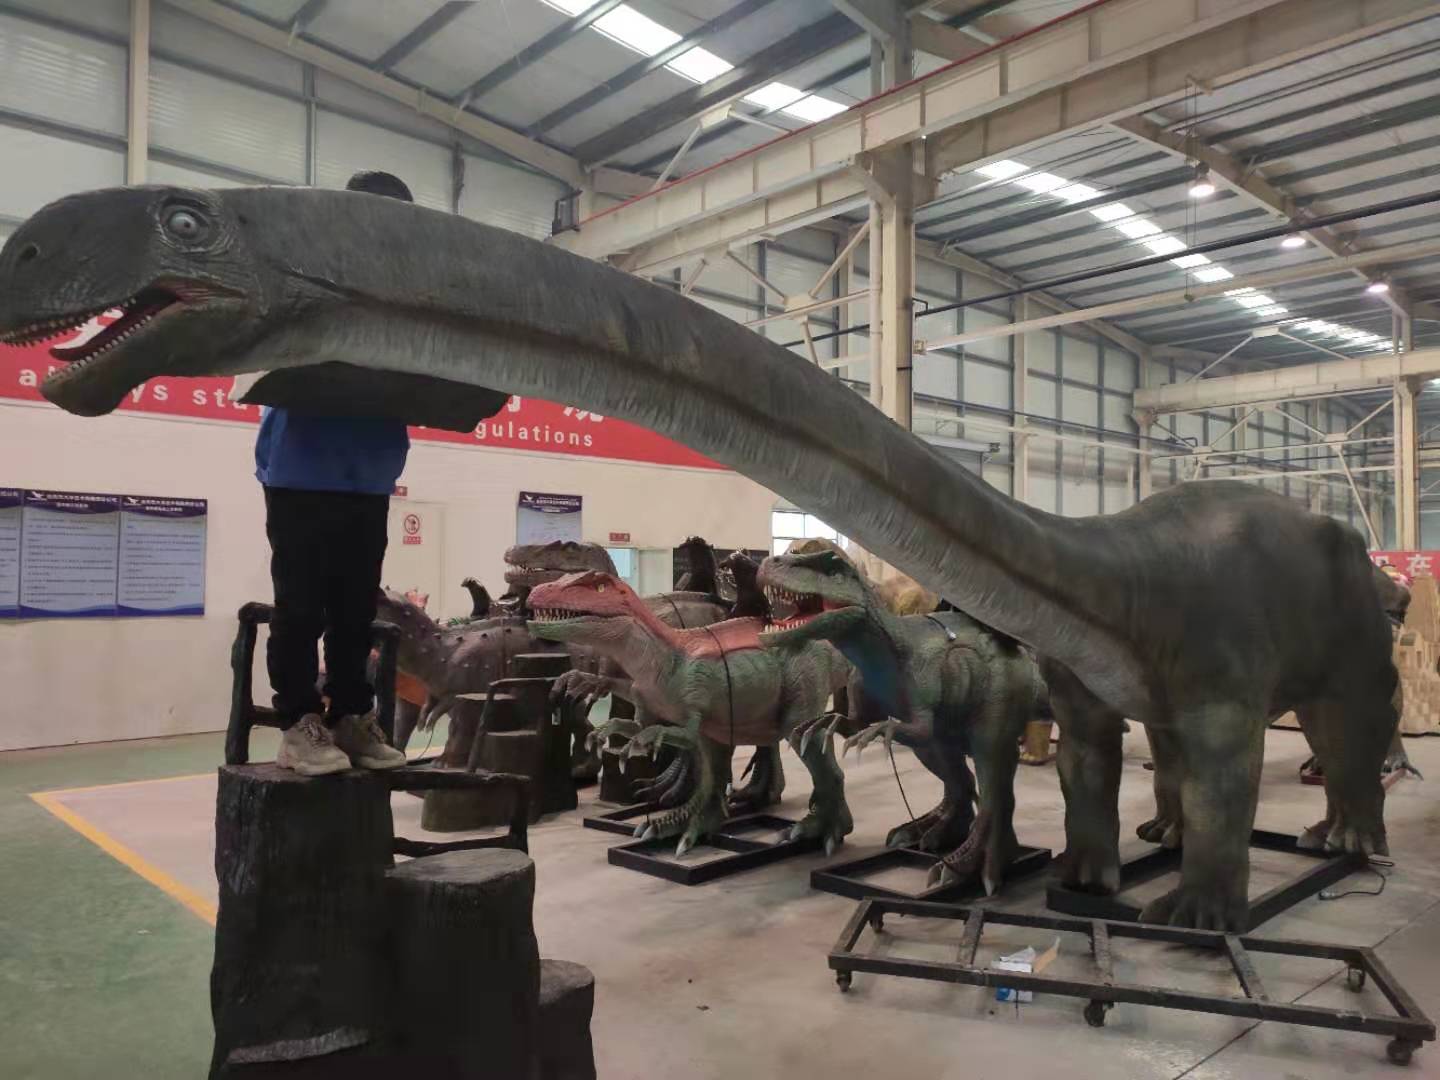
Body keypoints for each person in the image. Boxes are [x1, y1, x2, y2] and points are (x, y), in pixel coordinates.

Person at [258, 170, 414, 775]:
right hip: (301, 470)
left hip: (367, 475)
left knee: (355, 611)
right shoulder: (310, 266)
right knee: (299, 608)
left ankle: (351, 716)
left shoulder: (408, 290)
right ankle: (299, 724)